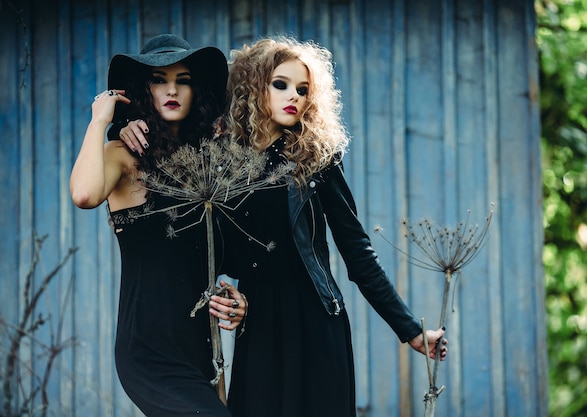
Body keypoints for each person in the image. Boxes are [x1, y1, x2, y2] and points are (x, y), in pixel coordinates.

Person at [117, 35, 447, 417]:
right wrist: (122, 127)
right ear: (255, 87)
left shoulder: (315, 158)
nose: (294, 96)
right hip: (257, 321)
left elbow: (358, 253)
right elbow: (208, 242)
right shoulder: (222, 160)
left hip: (315, 318)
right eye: (281, 84)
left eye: (303, 89)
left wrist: (411, 331)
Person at [69, 34, 247, 416]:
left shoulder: (207, 166)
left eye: (183, 80)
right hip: (148, 345)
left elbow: (228, 255)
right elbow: (84, 196)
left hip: (199, 343)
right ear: (142, 89)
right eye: (159, 79)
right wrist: (102, 122)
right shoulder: (122, 153)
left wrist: (236, 299)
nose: (172, 89)